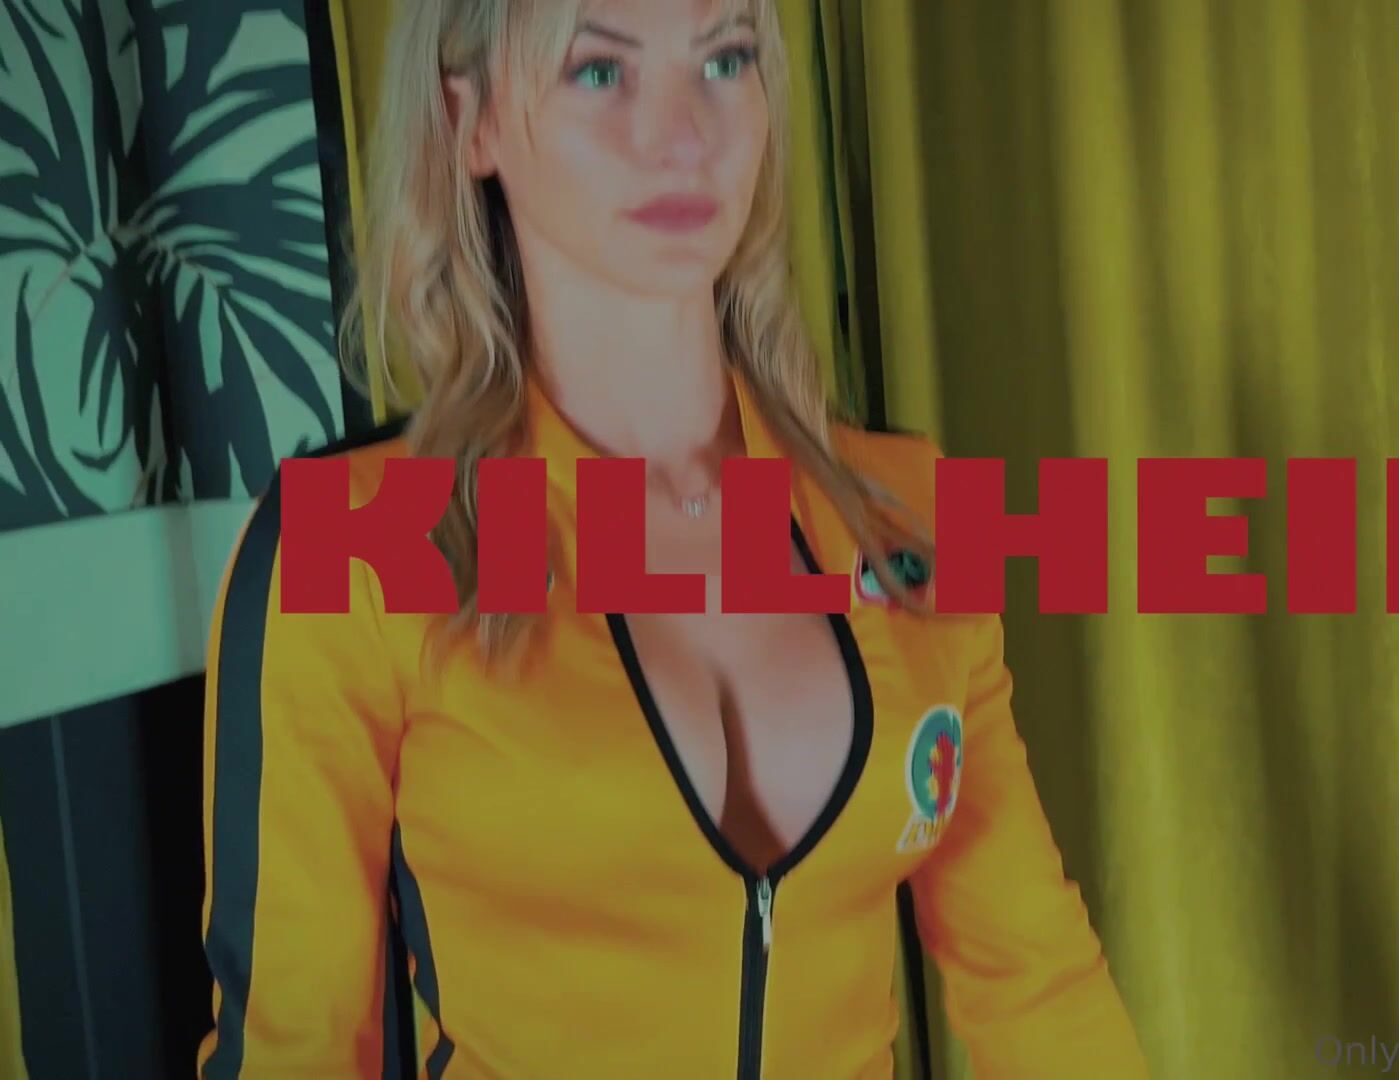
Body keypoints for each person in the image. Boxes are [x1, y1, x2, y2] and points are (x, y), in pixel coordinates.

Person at [196, 1, 1148, 1076]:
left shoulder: (908, 513)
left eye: (725, 59)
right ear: (472, 123)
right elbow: (292, 1050)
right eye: (600, 72)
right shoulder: (351, 546)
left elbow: (1037, 982)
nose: (684, 134)